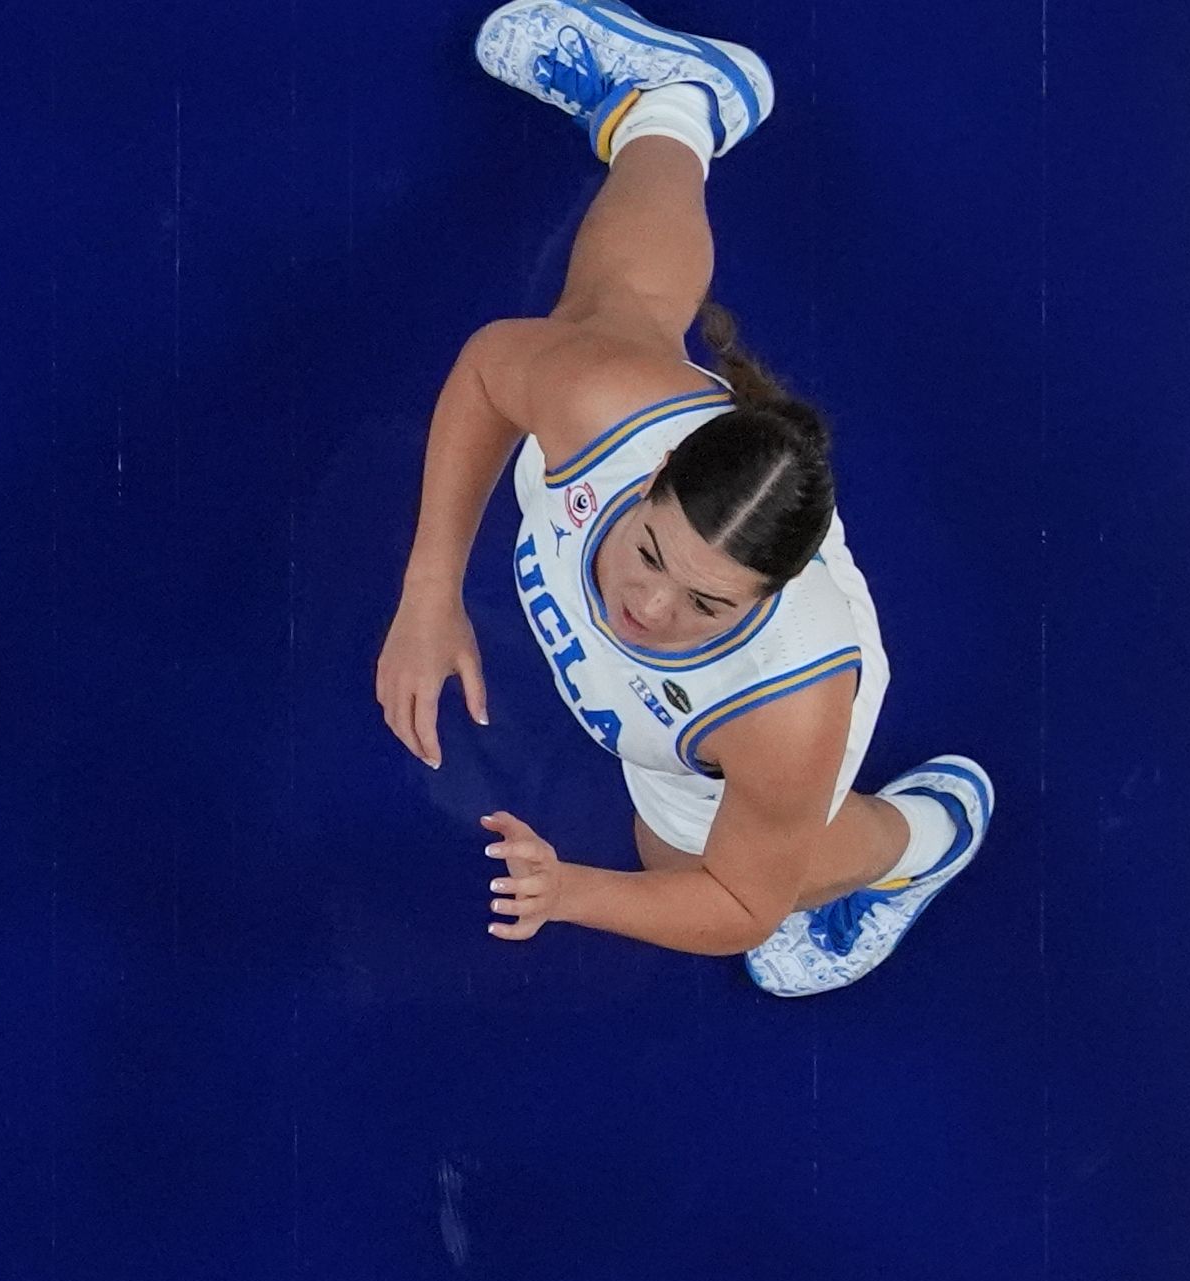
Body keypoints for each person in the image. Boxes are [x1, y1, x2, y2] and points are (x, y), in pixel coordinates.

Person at [379, 0, 991, 996]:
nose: (649, 607)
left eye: (706, 603)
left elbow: (737, 907)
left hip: (722, 752)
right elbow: (492, 371)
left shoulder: (781, 709)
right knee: (601, 317)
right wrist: (428, 589)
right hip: (632, 424)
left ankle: (923, 836)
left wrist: (568, 891)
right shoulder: (611, 410)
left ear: (765, 601)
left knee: (714, 874)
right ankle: (671, 102)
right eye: (653, 557)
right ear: (655, 479)